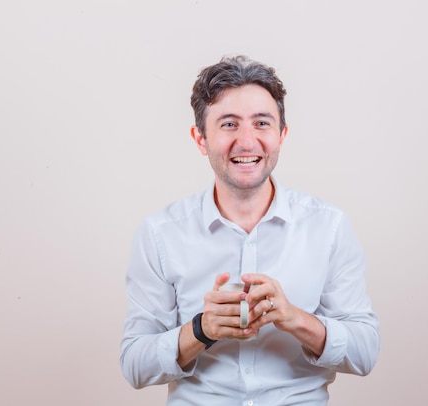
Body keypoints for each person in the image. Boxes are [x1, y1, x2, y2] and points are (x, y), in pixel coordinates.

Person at [120, 55, 380, 405]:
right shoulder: (159, 234)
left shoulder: (328, 227)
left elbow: (365, 353)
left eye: (262, 123)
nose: (247, 141)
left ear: (281, 135)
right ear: (200, 139)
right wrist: (201, 330)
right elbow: (135, 365)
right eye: (228, 124)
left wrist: (295, 320)